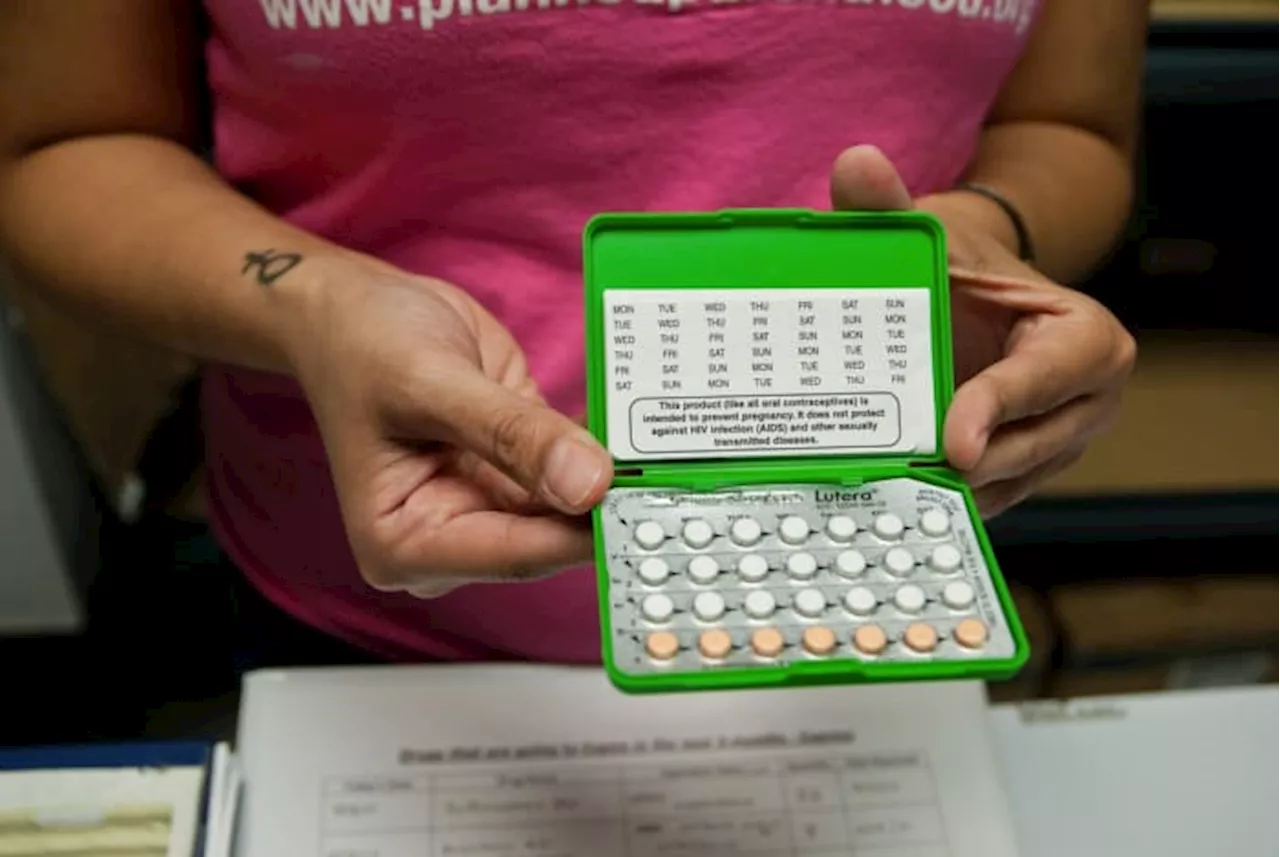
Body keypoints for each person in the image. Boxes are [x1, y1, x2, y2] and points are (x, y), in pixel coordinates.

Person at [0, 0, 1140, 668]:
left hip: (873, 580)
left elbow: (1070, 124)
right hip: (377, 603)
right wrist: (315, 303)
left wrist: (981, 238)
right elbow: (66, 142)